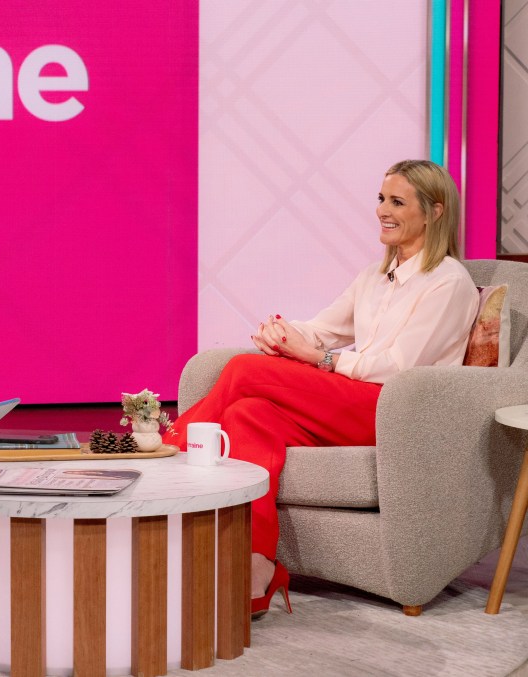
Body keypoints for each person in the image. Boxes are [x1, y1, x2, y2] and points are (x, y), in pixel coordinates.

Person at [168, 159, 479, 617]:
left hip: (395, 413)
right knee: (246, 414)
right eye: (381, 199)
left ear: (435, 212)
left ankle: (167, 448)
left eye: (397, 202)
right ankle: (257, 567)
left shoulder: (449, 282)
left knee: (245, 371)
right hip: (350, 402)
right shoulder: (375, 277)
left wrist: (319, 358)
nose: (382, 211)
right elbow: (322, 330)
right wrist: (282, 333)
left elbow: (399, 370)